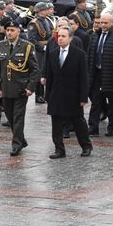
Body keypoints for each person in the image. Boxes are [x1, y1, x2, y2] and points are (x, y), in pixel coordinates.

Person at [45, 26, 93, 158]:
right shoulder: (53, 53)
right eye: (58, 36)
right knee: (56, 124)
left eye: (63, 36)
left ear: (70, 38)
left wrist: (83, 97)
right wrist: (47, 95)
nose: (60, 39)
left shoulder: (79, 54)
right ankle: (59, 150)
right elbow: (50, 76)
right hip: (56, 94)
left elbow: (84, 77)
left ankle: (86, 146)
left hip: (73, 95)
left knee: (78, 122)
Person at [0, 19, 39, 156]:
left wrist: (30, 87)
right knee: (10, 117)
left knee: (18, 117)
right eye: (7, 30)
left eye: (12, 30)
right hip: (6, 88)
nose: (9, 32)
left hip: (21, 88)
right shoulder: (0, 46)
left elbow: (35, 70)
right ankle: (21, 139)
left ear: (19, 31)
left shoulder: (27, 46)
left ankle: (16, 145)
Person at [86, 13, 113, 136]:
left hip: (111, 75)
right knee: (96, 101)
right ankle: (93, 127)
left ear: (112, 23)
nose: (102, 25)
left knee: (112, 102)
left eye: (105, 23)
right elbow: (90, 55)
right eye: (101, 22)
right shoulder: (94, 36)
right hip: (96, 73)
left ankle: (111, 127)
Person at [27, 2, 52, 104]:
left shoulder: (46, 20)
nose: (47, 11)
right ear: (40, 11)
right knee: (40, 72)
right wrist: (42, 48)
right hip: (39, 50)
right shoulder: (34, 23)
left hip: (47, 48)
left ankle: (45, 94)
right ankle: (39, 95)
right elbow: (32, 39)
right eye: (45, 10)